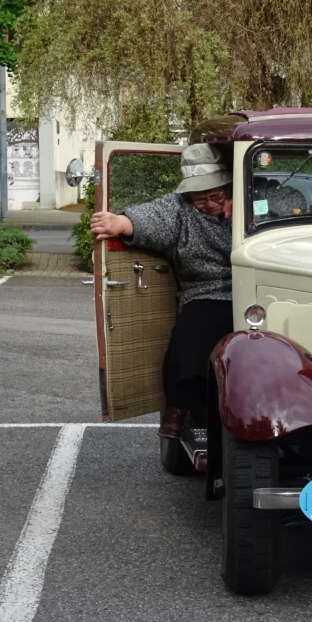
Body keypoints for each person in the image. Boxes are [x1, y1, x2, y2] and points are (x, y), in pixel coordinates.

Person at [90, 143, 233, 464]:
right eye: (200, 198)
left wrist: (251, 208)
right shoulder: (180, 209)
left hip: (262, 288)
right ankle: (190, 418)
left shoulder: (253, 197)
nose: (208, 204)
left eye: (216, 196)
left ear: (229, 185)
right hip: (207, 292)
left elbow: (292, 204)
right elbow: (149, 217)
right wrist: (119, 223)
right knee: (186, 349)